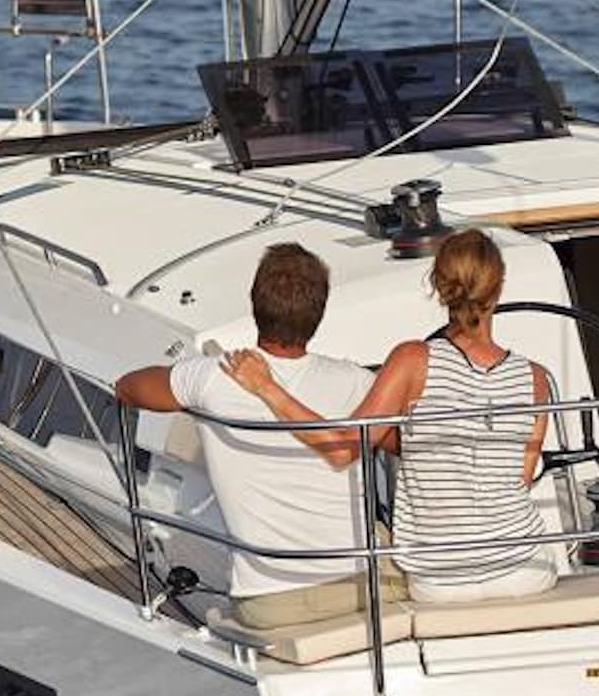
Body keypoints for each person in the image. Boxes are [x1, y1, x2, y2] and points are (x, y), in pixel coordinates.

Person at [222, 228, 557, 604]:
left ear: (437, 284)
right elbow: (519, 480)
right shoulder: (535, 378)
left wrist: (267, 387)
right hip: (526, 570)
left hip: (442, 581)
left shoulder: (412, 360)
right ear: (499, 288)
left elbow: (342, 450)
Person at [114, 243, 407, 628]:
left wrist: (197, 401)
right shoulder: (356, 383)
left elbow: (128, 388)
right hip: (366, 589)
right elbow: (404, 446)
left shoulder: (211, 378)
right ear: (319, 314)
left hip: (270, 603)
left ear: (255, 304)